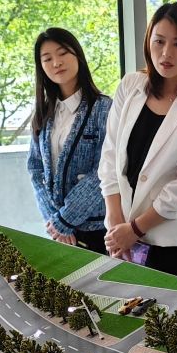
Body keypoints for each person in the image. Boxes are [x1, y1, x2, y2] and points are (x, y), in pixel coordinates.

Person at [98, 3, 177, 280]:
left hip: (171, 246)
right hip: (120, 235)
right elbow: (110, 157)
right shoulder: (131, 85)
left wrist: (134, 230)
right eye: (159, 41)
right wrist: (116, 223)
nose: (166, 53)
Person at [25, 27, 113, 256]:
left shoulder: (104, 107)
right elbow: (35, 169)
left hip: (96, 229)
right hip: (59, 232)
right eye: (47, 58)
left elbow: (104, 170)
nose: (56, 63)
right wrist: (53, 220)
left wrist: (65, 219)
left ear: (77, 55)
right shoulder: (43, 112)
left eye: (63, 53)